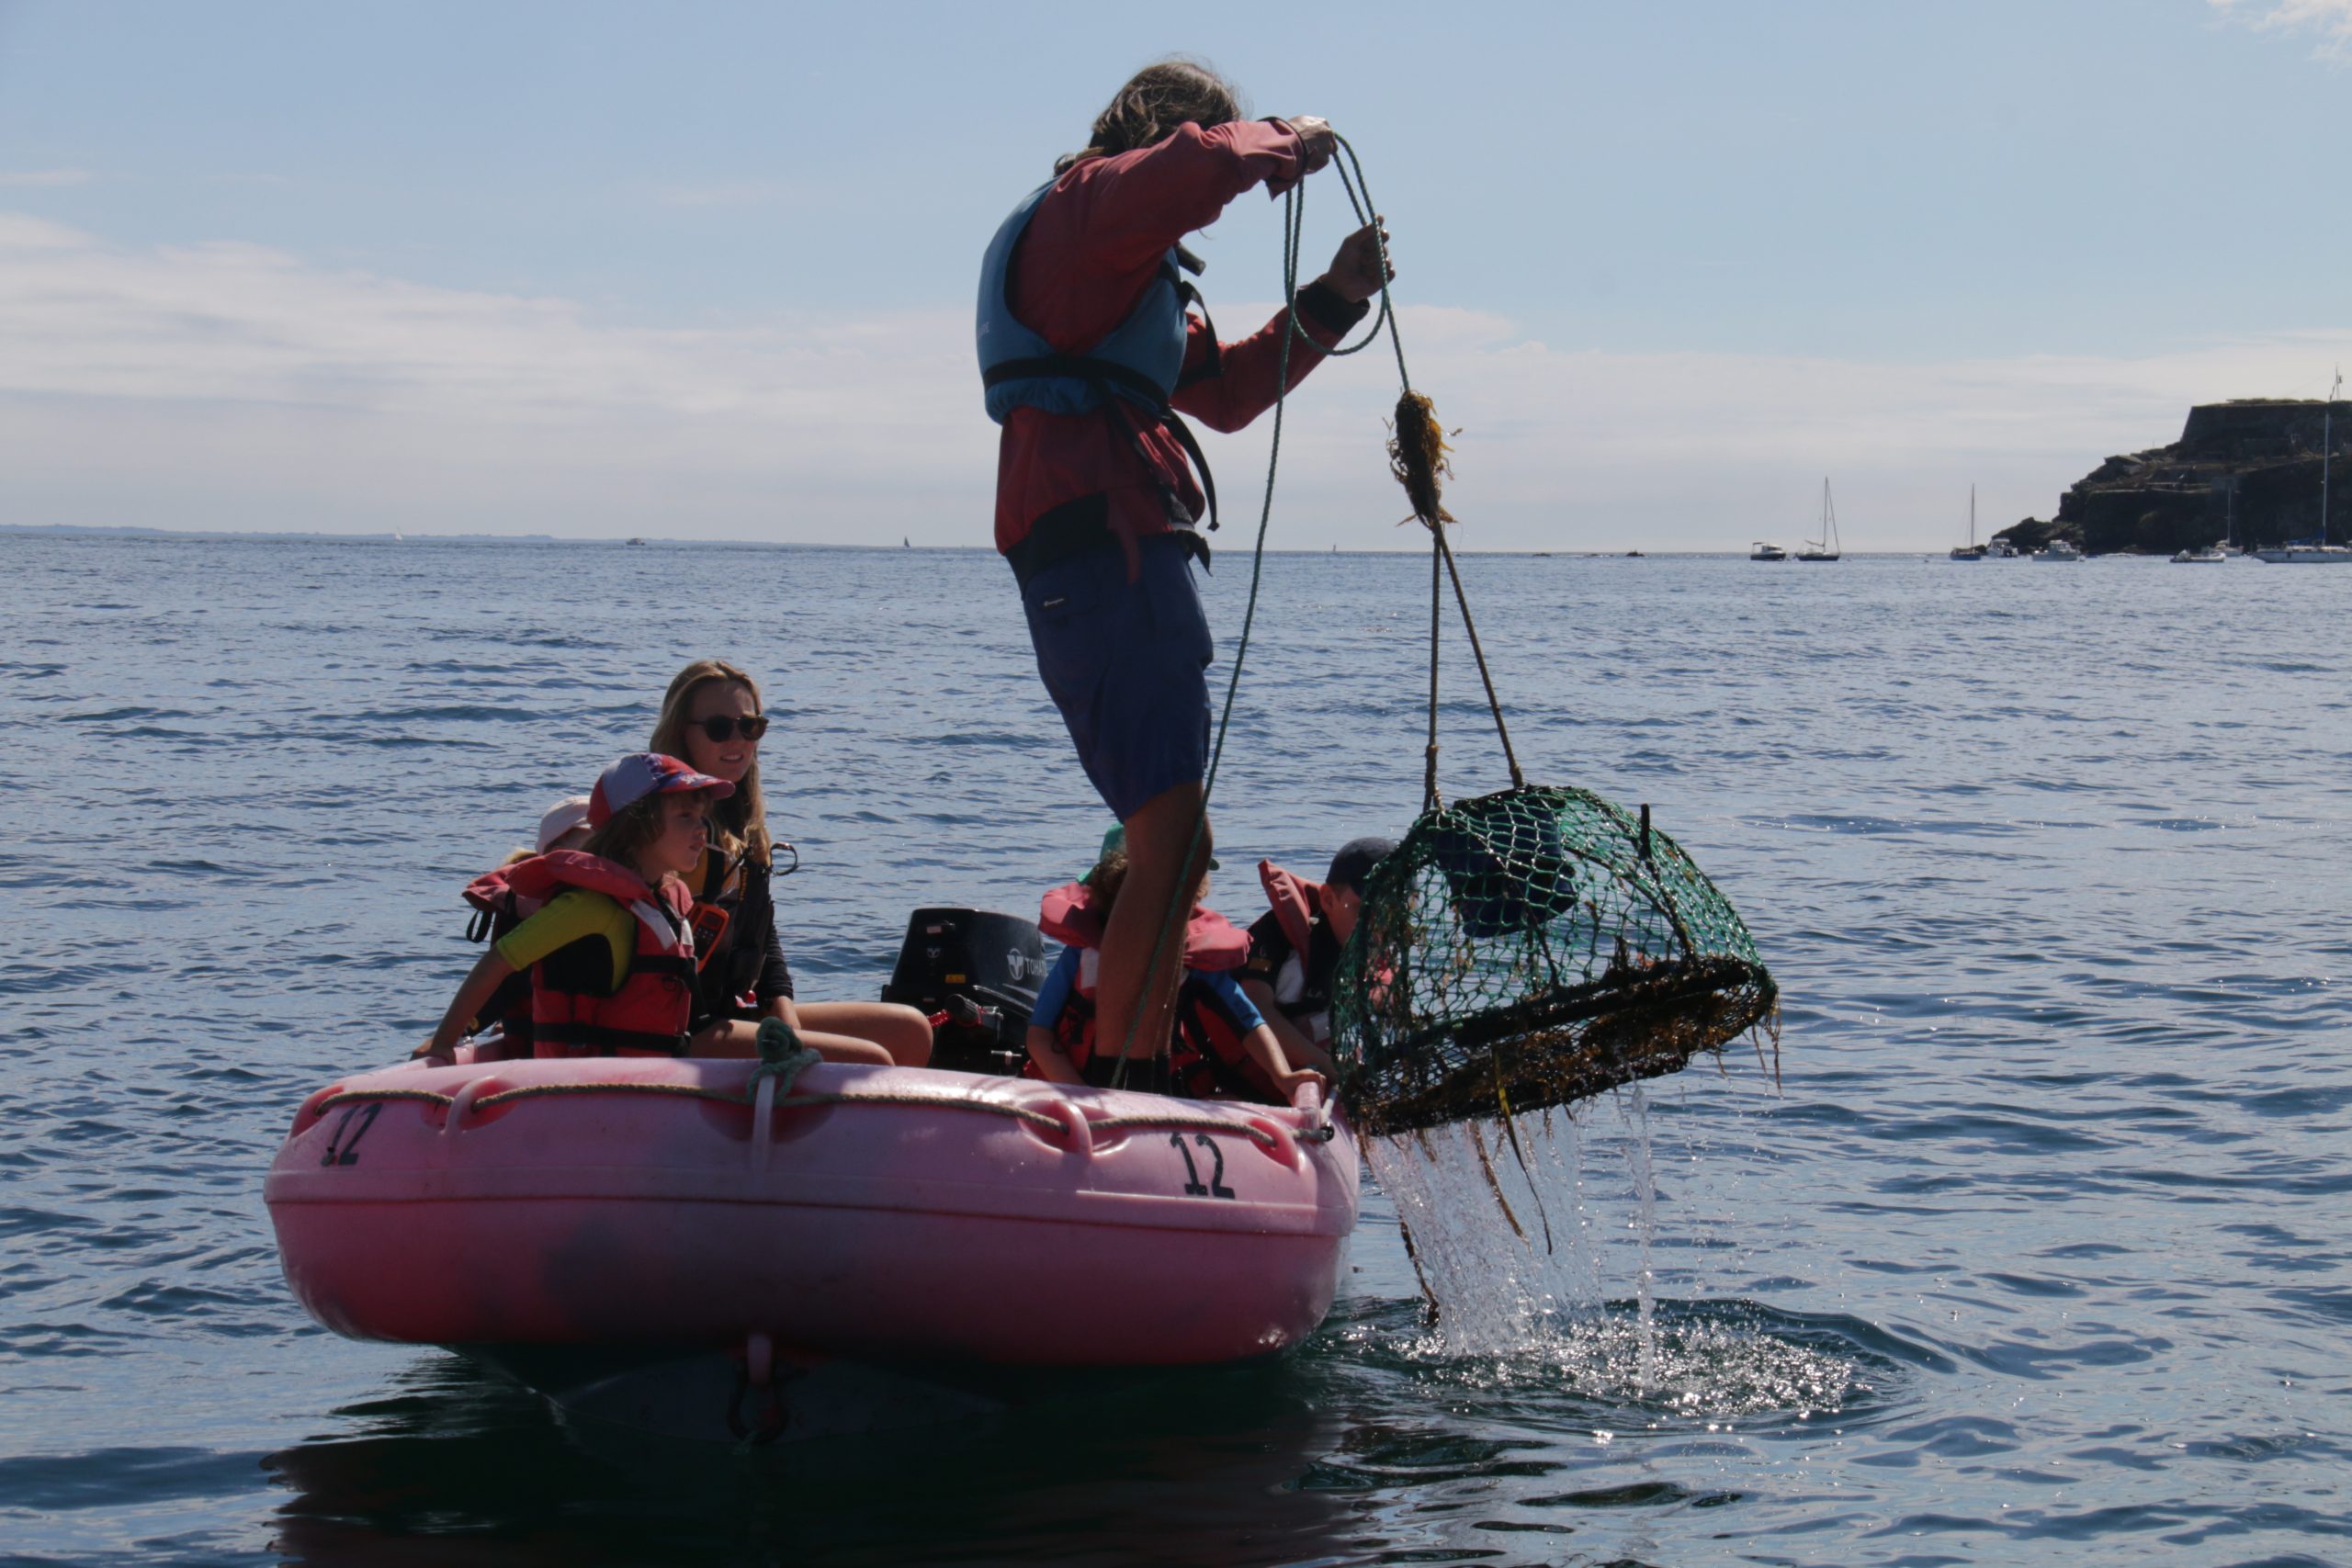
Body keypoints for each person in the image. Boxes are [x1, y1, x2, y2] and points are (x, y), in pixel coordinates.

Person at [980, 58, 1394, 1085]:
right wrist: (1283, 140)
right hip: (1104, 548)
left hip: (1108, 552)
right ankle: (1126, 1082)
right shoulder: (1088, 211)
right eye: (1211, 134)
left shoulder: (1127, 272)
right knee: (1169, 837)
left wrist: (1335, 300)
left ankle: (1140, 1067)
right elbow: (1193, 169)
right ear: (1169, 128)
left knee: (1179, 839)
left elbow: (1227, 391)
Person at [648, 660, 932, 1067]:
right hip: (681, 1031)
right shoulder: (672, 833)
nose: (738, 741)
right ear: (681, 733)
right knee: (874, 1061)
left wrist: (785, 1016)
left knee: (909, 1029)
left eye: (750, 727)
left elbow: (762, 940)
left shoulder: (741, 826)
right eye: (718, 728)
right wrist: (791, 1038)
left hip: (728, 1013)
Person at [1026, 829, 1322, 1102]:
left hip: (1158, 1093)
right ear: (1113, 890)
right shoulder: (1081, 954)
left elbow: (1249, 1021)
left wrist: (1283, 1077)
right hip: (1075, 1091)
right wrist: (1081, 1098)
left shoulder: (1196, 963)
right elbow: (1039, 1034)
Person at [1238, 836, 1396, 1079]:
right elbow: (1252, 1006)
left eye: (1390, 909)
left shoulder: (1376, 956)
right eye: (1365, 909)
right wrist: (1326, 1065)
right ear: (1328, 899)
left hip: (1320, 1073)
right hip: (1237, 1078)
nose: (1378, 923)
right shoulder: (1279, 934)